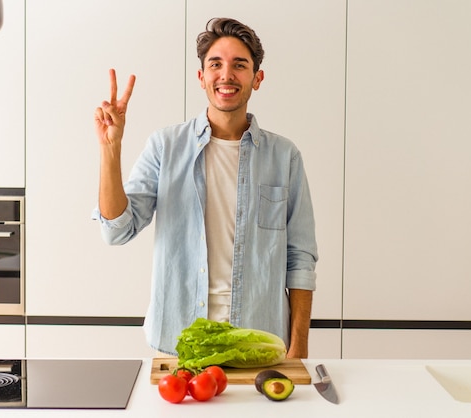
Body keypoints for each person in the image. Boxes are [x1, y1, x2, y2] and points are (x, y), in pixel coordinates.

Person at [92, 18, 318, 358]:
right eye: (216, 64)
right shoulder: (165, 146)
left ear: (257, 78)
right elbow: (117, 230)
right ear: (201, 78)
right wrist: (111, 149)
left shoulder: (284, 156)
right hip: (179, 344)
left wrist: (298, 348)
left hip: (256, 344)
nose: (226, 75)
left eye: (239, 65)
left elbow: (300, 259)